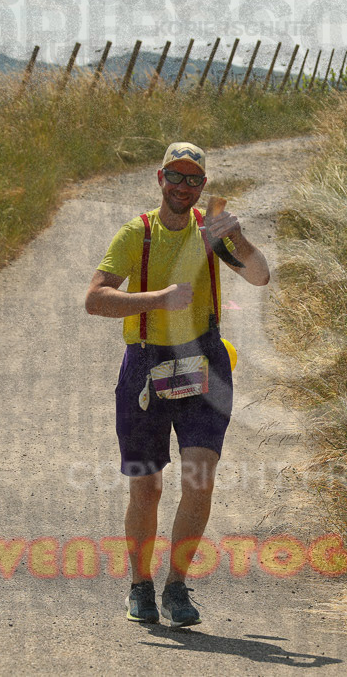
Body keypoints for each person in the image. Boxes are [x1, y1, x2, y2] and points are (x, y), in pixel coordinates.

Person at [84, 142, 270, 627]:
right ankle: (140, 585)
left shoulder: (211, 231)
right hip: (145, 366)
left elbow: (260, 276)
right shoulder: (137, 234)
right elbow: (96, 299)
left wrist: (238, 237)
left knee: (199, 480)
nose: (183, 187)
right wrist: (159, 299)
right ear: (160, 178)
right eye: (175, 176)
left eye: (193, 179)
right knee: (146, 489)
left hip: (204, 363)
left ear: (203, 186)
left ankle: (176, 587)